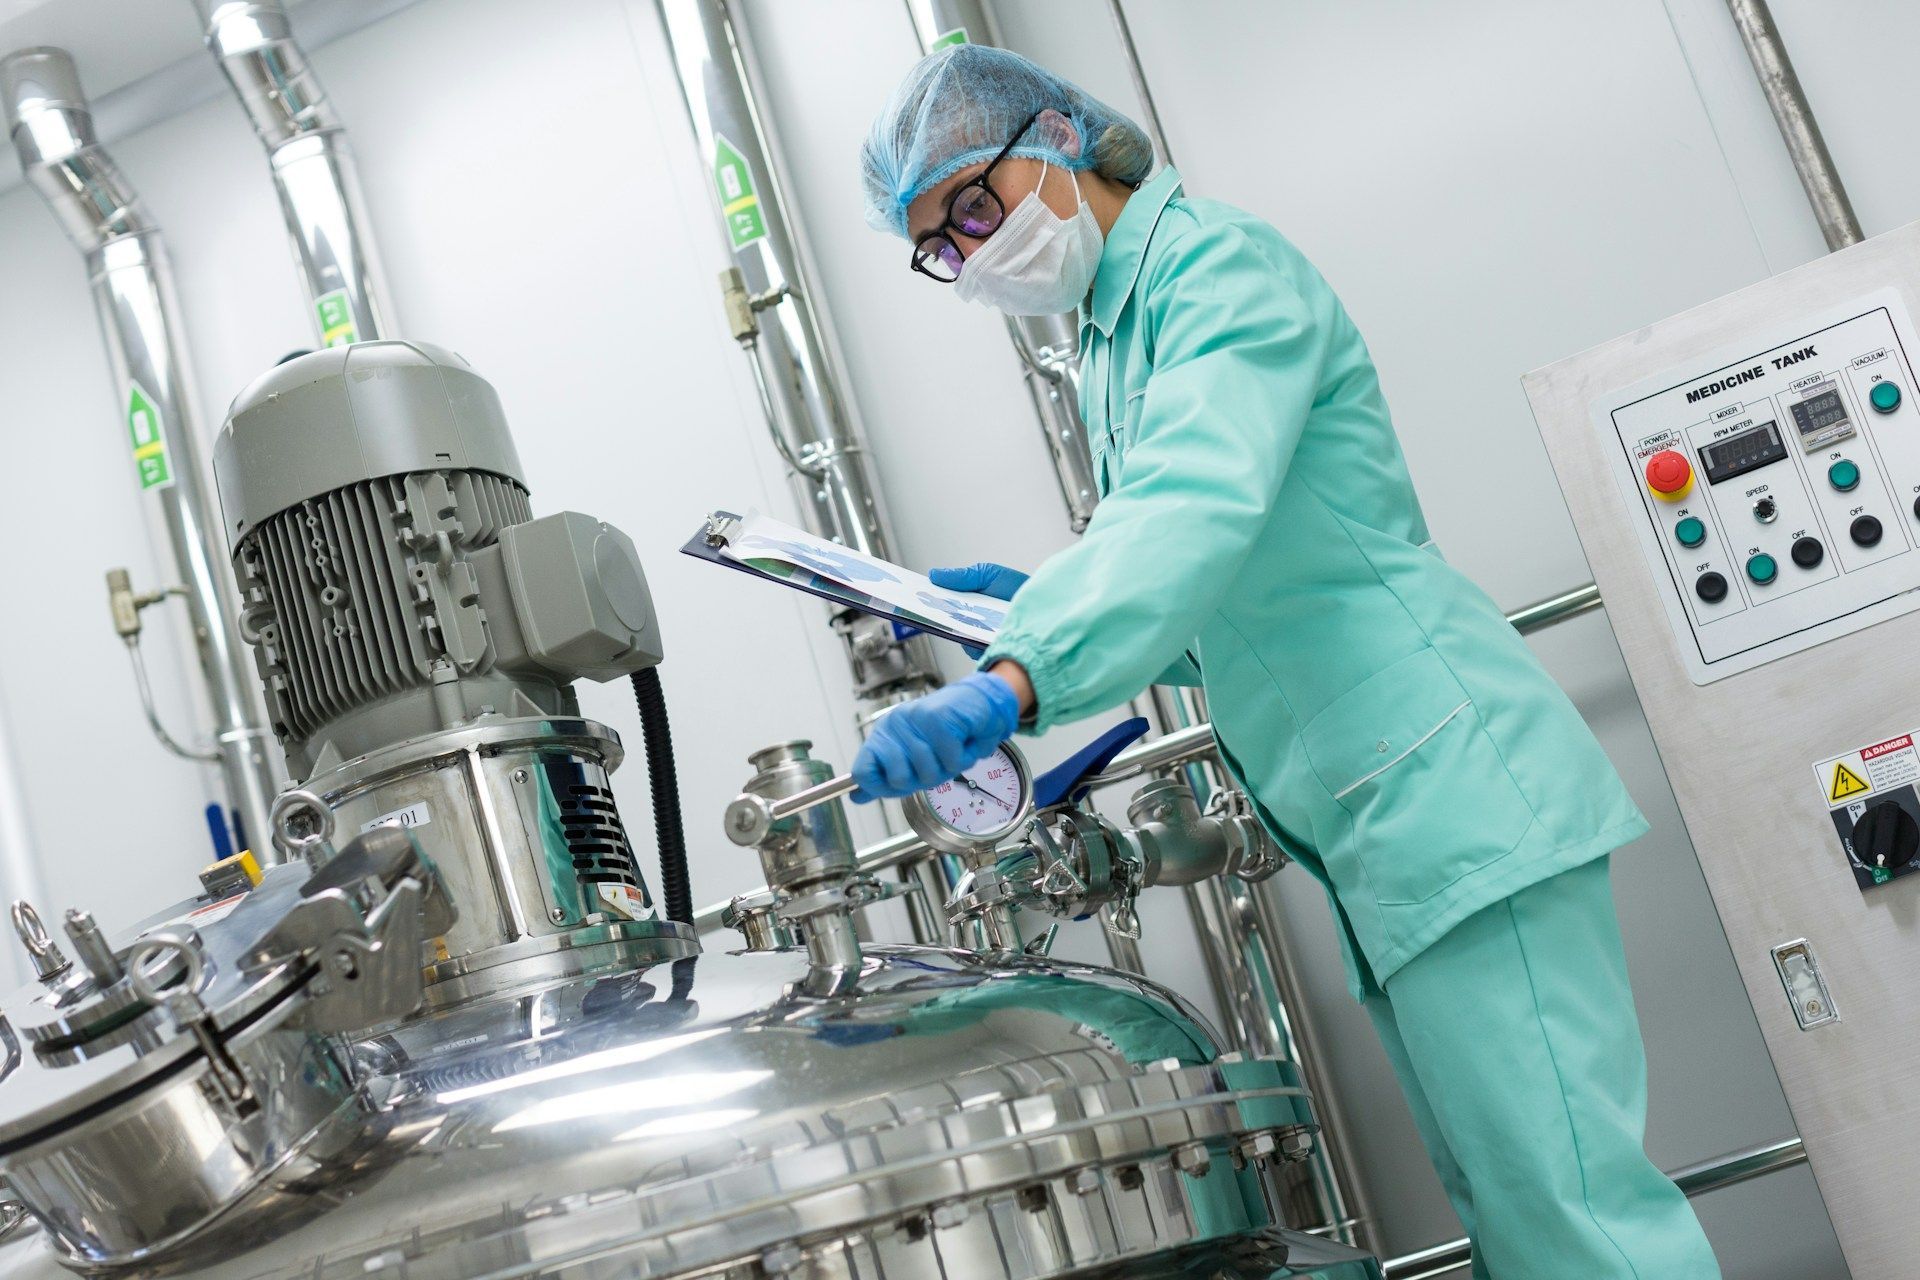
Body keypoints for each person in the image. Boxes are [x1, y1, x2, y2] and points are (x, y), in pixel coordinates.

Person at [850, 44, 1722, 1280]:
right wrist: (1038, 605)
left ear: (1055, 138)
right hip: (1387, 817)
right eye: (943, 244)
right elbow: (1245, 597)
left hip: (1449, 790)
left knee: (1576, 1219)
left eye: (976, 209)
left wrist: (1021, 677)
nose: (976, 254)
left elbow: (1190, 508)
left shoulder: (1215, 269)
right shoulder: (1115, 333)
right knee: (1524, 1221)